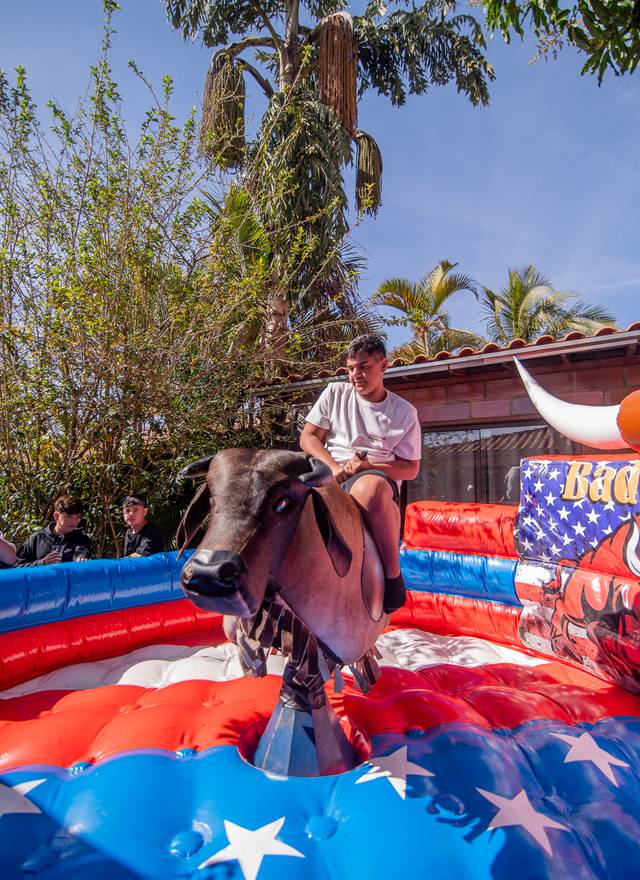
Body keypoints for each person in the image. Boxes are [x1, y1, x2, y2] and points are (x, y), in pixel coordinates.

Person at [300, 334, 421, 613]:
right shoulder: (334, 393)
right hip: (330, 470)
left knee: (369, 490)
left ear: (383, 366)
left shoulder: (404, 412)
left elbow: (411, 468)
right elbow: (308, 438)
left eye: (364, 367)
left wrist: (369, 467)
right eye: (351, 368)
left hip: (376, 475)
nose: (356, 374)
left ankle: (392, 576)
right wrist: (333, 467)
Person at [16, 495, 92, 566]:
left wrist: (81, 558)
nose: (74, 521)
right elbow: (17, 565)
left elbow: (82, 550)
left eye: (77, 517)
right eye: (69, 517)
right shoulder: (37, 538)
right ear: (56, 516)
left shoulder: (82, 539)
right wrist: (42, 562)